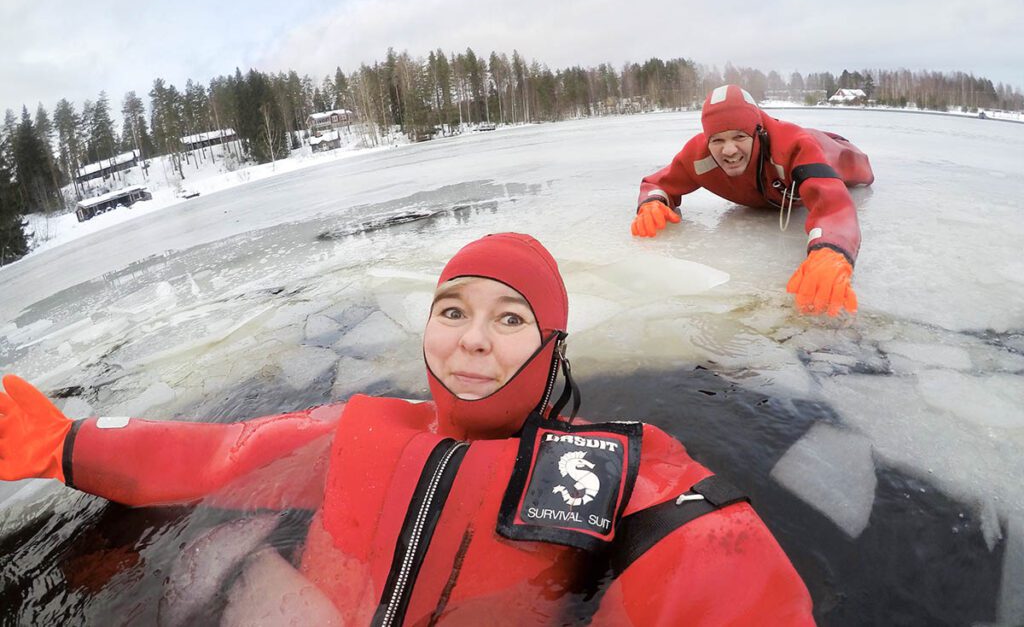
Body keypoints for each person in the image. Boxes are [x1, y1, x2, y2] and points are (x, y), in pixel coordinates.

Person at [1, 233, 814, 625]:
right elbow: (219, 454)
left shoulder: (606, 465)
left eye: (509, 318)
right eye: (452, 310)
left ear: (551, 345)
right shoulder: (361, 426)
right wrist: (60, 444)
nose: (471, 339)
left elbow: (718, 565)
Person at [631, 85, 875, 317]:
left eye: (739, 136)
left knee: (863, 172)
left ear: (758, 133)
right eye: (717, 140)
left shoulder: (795, 147)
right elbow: (658, 183)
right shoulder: (699, 157)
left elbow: (833, 202)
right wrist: (653, 202)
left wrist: (832, 249)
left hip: (831, 147)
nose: (728, 150)